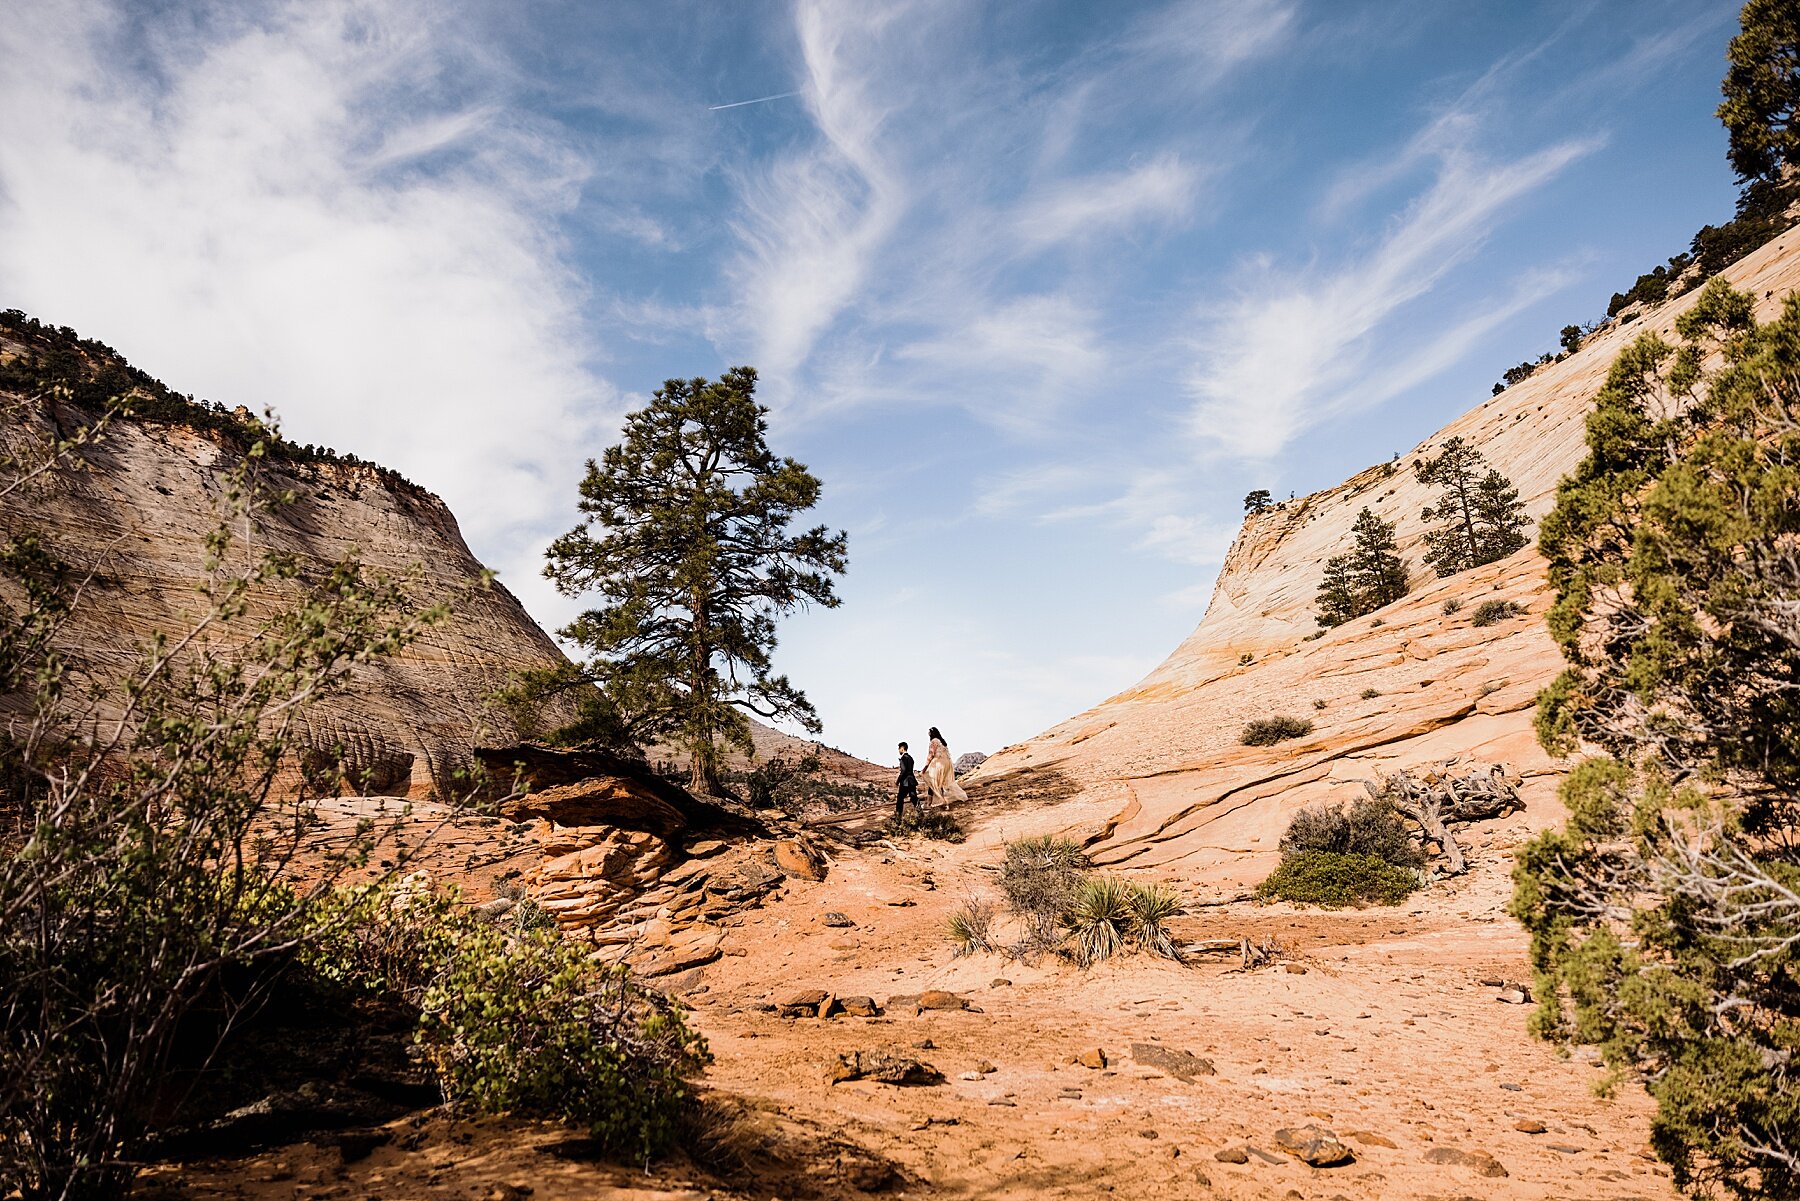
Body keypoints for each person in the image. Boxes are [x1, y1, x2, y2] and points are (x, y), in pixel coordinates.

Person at [921, 726, 968, 808]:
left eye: (929, 732)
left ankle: (929, 803)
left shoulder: (933, 741)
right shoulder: (942, 742)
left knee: (932, 781)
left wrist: (925, 767)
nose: (928, 734)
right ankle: (943, 801)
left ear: (932, 733)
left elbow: (930, 755)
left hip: (938, 763)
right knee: (940, 783)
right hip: (947, 763)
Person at [894, 742, 921, 821]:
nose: (899, 751)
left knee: (900, 798)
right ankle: (920, 814)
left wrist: (898, 781)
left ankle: (898, 817)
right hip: (911, 780)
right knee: (914, 798)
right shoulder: (911, 758)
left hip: (905, 781)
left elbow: (903, 771)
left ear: (902, 748)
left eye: (899, 749)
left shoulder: (903, 758)